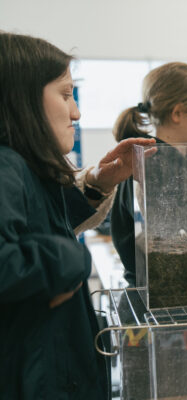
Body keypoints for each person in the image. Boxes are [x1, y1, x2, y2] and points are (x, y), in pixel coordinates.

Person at [0, 32, 155, 399]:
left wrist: (99, 182)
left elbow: (36, 223)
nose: (76, 112)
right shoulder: (6, 166)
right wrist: (73, 257)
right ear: (21, 100)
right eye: (66, 94)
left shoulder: (23, 168)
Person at [110, 62, 187, 287]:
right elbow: (171, 254)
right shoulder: (157, 166)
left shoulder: (160, 162)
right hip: (160, 300)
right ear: (178, 113)